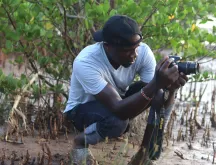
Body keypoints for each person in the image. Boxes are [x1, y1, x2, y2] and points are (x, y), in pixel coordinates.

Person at [63, 15, 188, 164]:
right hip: (80, 111)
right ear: (108, 46)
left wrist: (171, 89)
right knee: (118, 122)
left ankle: (143, 156)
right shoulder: (86, 61)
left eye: (136, 48)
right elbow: (118, 109)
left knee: (159, 93)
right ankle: (80, 142)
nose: (134, 55)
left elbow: (158, 98)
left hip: (116, 102)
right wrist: (156, 83)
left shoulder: (142, 52)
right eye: (127, 50)